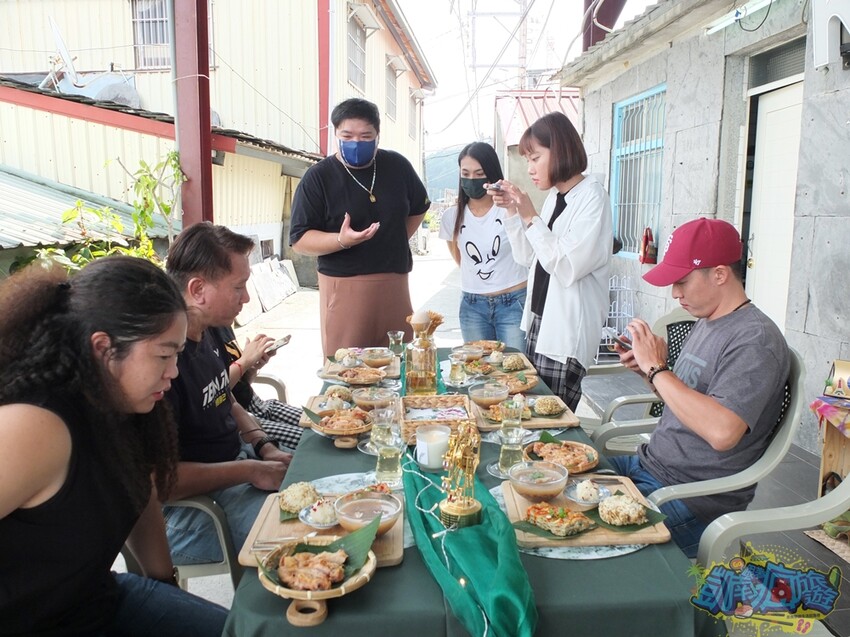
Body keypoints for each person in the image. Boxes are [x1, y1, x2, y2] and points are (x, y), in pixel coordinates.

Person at [0, 256, 227, 637]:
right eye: (164, 355)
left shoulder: (126, 404)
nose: (174, 371)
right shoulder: (36, 426)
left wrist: (164, 583)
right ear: (104, 349)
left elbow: (137, 491)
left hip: (95, 601)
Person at [611, 218, 790, 557]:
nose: (675, 293)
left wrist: (658, 369)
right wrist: (649, 374)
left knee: (571, 534)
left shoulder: (755, 339)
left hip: (690, 497)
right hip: (648, 466)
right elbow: (688, 405)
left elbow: (722, 431)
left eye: (682, 281)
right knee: (549, 477)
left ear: (720, 274)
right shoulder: (708, 321)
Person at [163, 223, 292, 566]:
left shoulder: (205, 331)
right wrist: (250, 470)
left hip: (236, 462)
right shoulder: (161, 362)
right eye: (239, 287)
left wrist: (263, 445)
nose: (247, 297)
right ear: (198, 289)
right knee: (300, 530)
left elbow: (225, 395)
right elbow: (163, 482)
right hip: (190, 510)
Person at [290, 97, 431, 356]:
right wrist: (342, 240)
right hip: (344, 283)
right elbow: (300, 239)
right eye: (348, 135)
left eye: (366, 136)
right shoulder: (318, 177)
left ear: (378, 135)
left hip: (395, 281)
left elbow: (419, 207)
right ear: (335, 134)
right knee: (348, 365)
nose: (356, 142)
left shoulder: (397, 166)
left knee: (398, 360)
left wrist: (394, 238)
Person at [490, 111, 612, 411]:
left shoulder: (592, 197)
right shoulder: (556, 197)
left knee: (549, 423)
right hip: (540, 324)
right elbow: (529, 257)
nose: (529, 168)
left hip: (565, 333)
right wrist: (513, 212)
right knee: (528, 414)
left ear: (560, 151)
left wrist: (530, 214)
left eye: (535, 158)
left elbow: (567, 266)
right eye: (527, 160)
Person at [438, 142, 528, 351]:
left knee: (517, 369)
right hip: (472, 306)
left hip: (513, 303)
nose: (472, 180)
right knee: (478, 372)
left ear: (492, 175)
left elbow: (527, 251)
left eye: (479, 173)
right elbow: (459, 257)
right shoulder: (451, 216)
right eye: (465, 173)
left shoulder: (510, 208)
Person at [207, 325, 303, 451]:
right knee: (313, 441)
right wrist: (245, 360)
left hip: (259, 405)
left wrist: (252, 367)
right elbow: (215, 393)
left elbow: (243, 384)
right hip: (242, 419)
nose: (244, 303)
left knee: (329, 424)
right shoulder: (197, 341)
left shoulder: (221, 326)